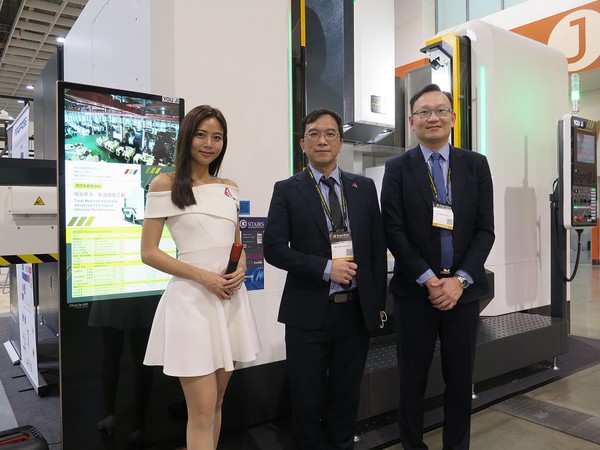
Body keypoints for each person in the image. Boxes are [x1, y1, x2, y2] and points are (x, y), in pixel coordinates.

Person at [263, 108, 387, 450]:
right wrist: (325, 268)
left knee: (346, 397)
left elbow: (376, 249)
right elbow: (274, 249)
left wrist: (376, 304)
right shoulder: (288, 190)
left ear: (341, 143)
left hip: (355, 312)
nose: (322, 140)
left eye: (330, 134)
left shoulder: (363, 188)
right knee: (306, 399)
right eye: (314, 134)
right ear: (302, 144)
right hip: (308, 313)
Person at [380, 84, 495, 450]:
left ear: (453, 118)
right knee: (411, 381)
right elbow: (392, 229)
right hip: (414, 293)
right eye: (424, 112)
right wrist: (429, 279)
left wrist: (460, 280)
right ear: (411, 121)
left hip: (462, 294)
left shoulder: (475, 165)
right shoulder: (397, 168)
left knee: (460, 380)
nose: (433, 117)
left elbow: (485, 230)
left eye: (441, 110)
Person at [141, 105, 262, 450]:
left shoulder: (229, 187)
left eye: (217, 137)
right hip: (190, 305)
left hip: (228, 301)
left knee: (218, 403)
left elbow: (236, 243)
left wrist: (241, 268)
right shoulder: (165, 184)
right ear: (187, 137)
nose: (209, 144)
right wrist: (203, 277)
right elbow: (149, 252)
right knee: (203, 411)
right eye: (201, 135)